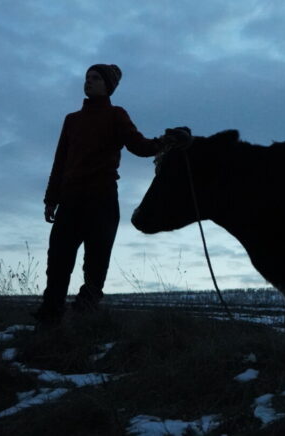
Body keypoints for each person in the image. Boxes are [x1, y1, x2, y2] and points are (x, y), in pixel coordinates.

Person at [32, 64, 189, 325]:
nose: (89, 82)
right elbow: (60, 162)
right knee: (58, 260)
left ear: (108, 86)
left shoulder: (116, 115)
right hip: (70, 201)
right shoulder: (71, 120)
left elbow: (140, 146)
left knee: (96, 264)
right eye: (87, 78)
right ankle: (49, 317)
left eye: (95, 78)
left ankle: (85, 316)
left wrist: (167, 141)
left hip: (101, 200)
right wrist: (51, 199)